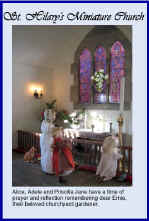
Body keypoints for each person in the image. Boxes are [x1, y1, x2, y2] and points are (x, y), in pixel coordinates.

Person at [40, 109, 55, 174]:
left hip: (48, 138)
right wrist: (57, 129)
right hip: (46, 139)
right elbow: (48, 130)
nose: (54, 116)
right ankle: (47, 169)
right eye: (54, 115)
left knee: (49, 153)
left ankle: (48, 168)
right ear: (50, 116)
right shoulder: (45, 122)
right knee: (48, 154)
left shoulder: (49, 123)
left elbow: (51, 131)